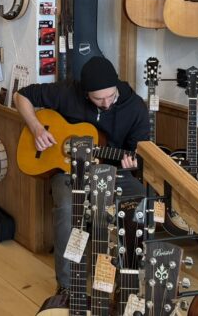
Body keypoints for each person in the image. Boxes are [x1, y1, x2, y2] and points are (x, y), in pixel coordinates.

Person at [13, 56, 149, 294]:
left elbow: (139, 151)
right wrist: (37, 129)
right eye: (98, 99)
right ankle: (66, 288)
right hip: (68, 170)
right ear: (86, 93)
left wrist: (132, 163)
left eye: (111, 96)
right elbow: (20, 96)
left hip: (112, 170)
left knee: (138, 201)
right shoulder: (67, 92)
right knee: (68, 208)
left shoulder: (135, 107)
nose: (106, 103)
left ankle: (126, 282)